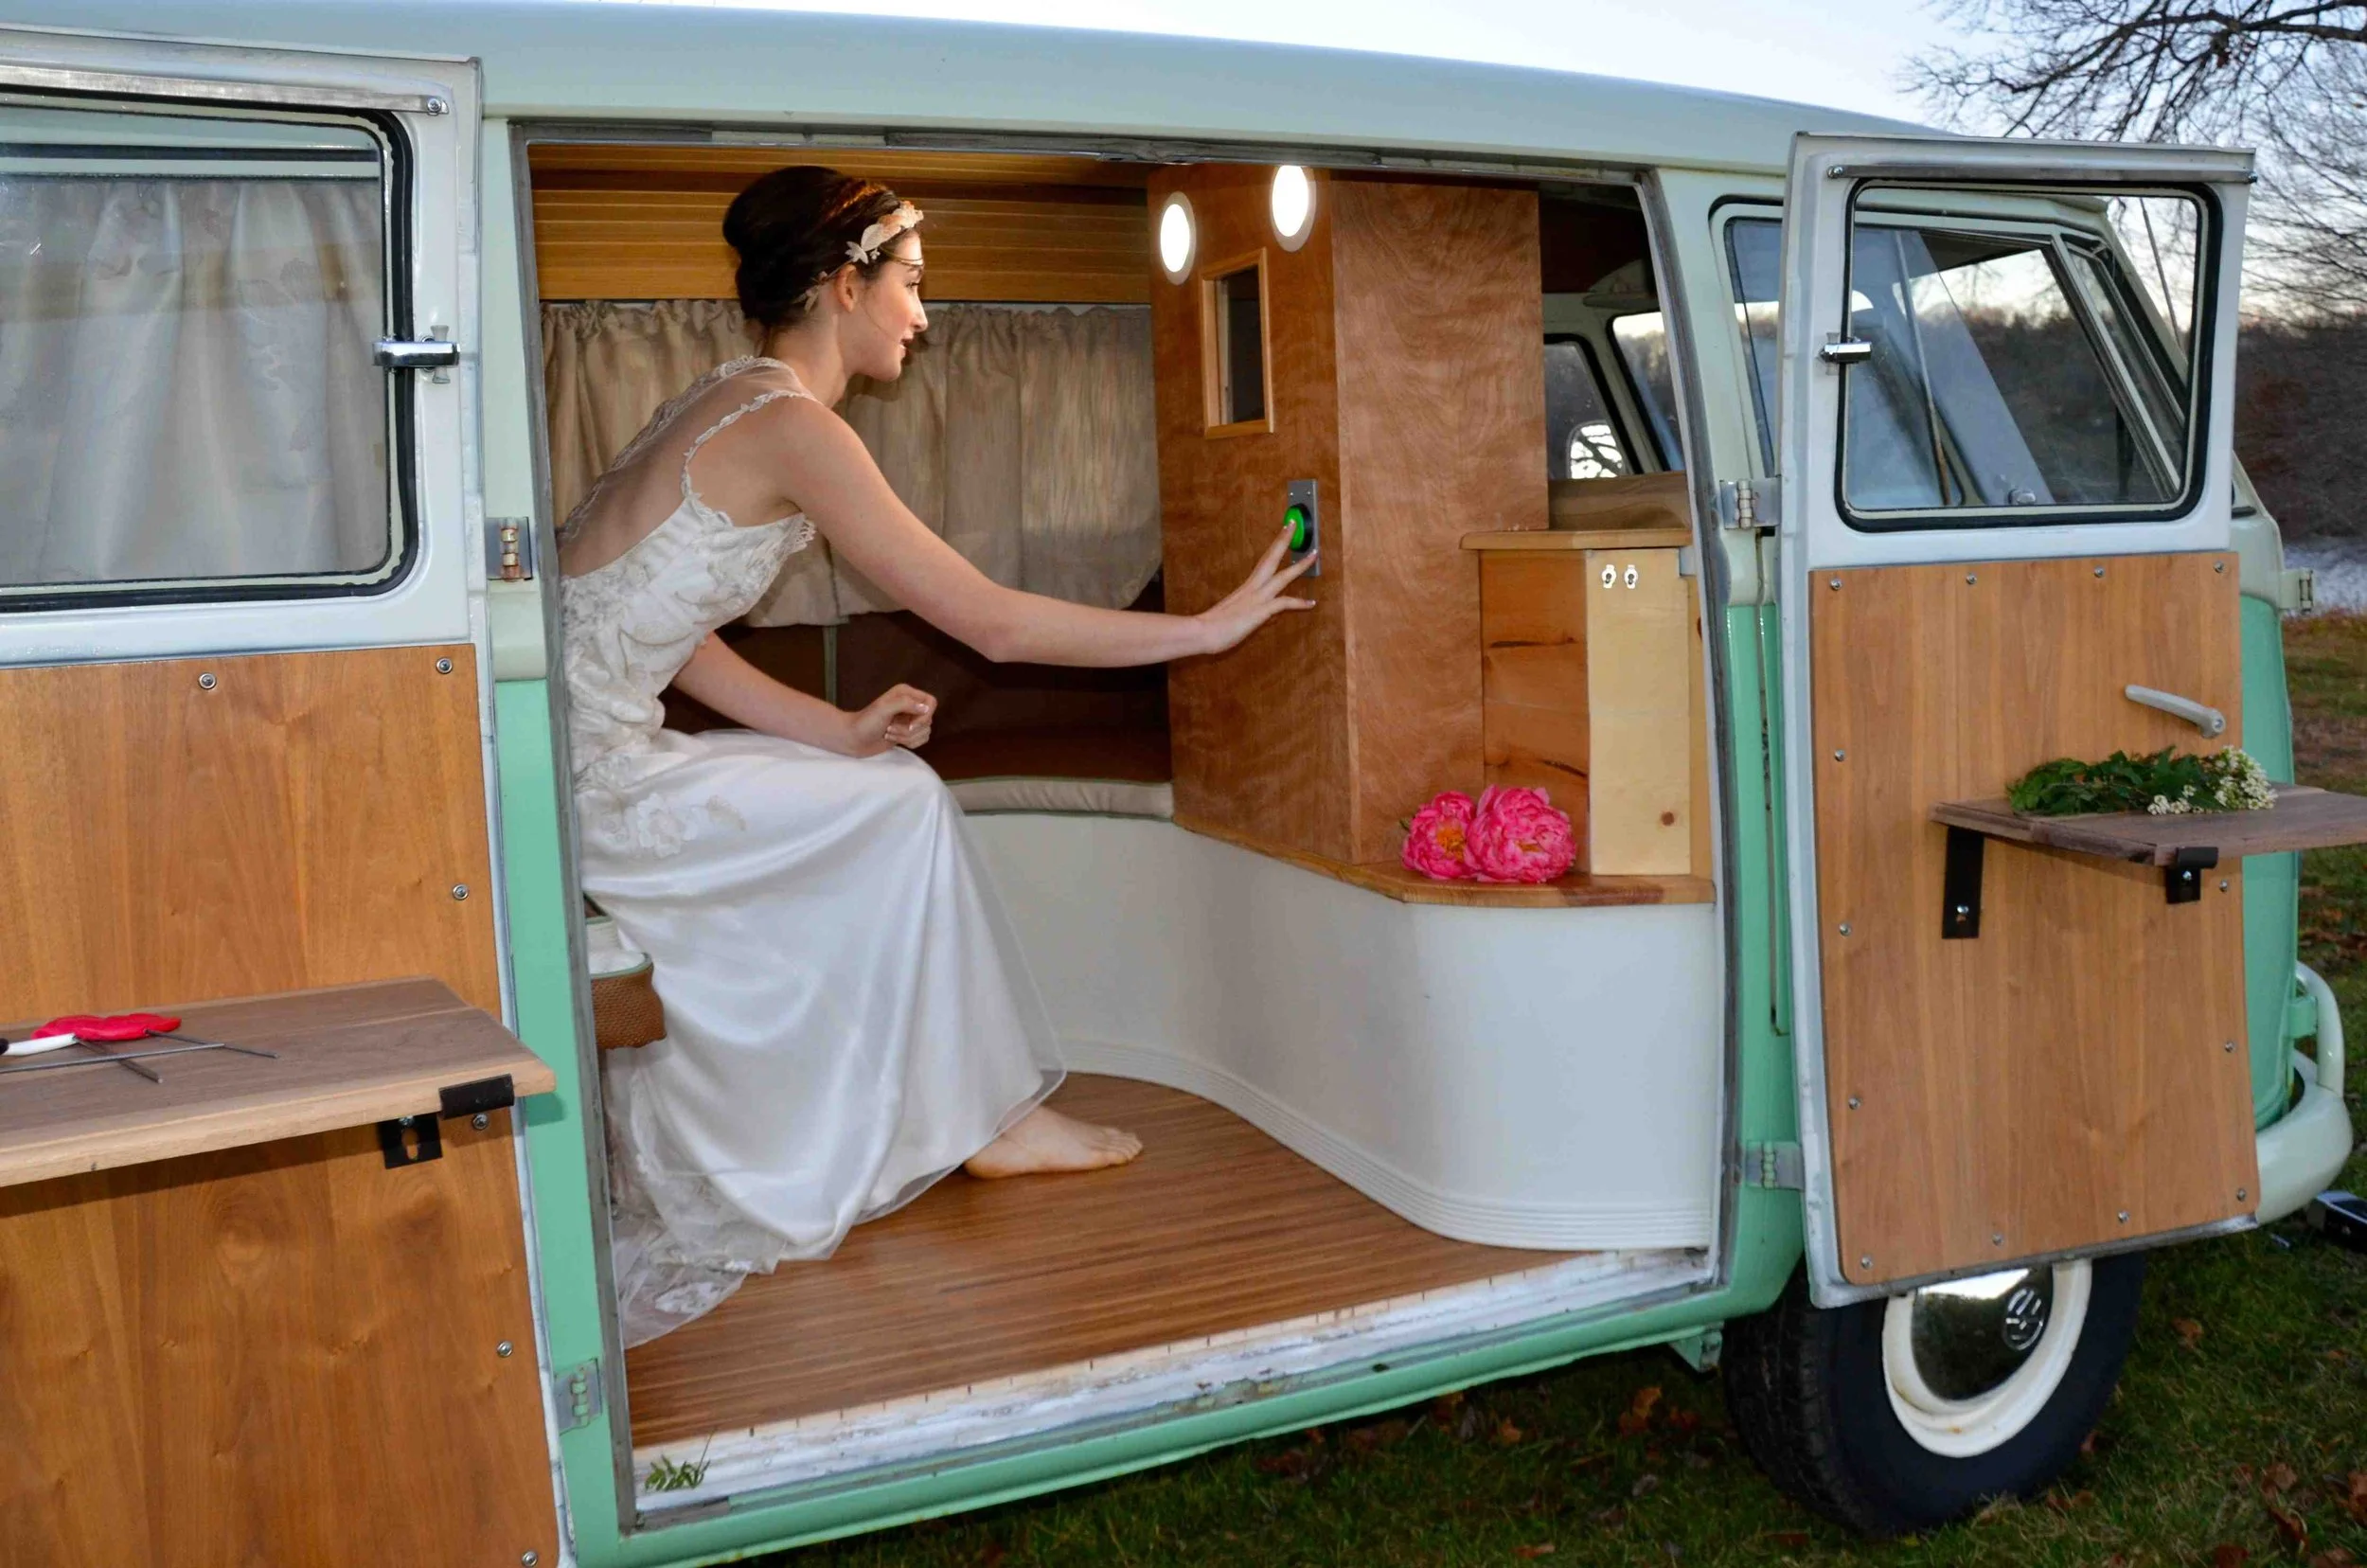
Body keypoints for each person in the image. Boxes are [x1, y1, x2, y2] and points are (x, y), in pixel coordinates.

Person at [560, 167, 1313, 1343]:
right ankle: (982, 1123)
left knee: (881, 788)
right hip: (589, 779)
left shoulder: (725, 400)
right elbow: (992, 623)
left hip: (586, 753)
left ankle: (949, 1116)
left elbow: (669, 629)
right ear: (843, 286)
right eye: (909, 285)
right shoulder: (786, 426)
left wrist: (838, 729)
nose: (922, 313)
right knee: (900, 805)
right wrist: (1205, 629)